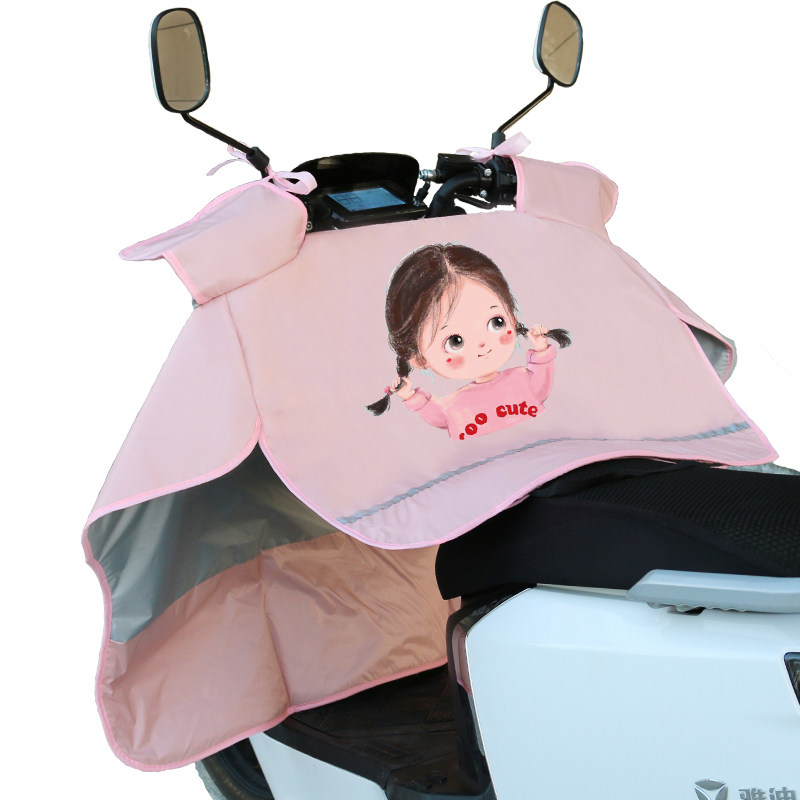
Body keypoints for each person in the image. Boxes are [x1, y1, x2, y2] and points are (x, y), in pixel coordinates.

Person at [366, 243, 571, 441]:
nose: (482, 344)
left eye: (497, 322)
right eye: (455, 341)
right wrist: (410, 396)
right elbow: (438, 415)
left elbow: (541, 386)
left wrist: (541, 349)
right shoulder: (456, 405)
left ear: (512, 317)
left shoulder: (522, 380)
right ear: (418, 358)